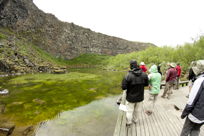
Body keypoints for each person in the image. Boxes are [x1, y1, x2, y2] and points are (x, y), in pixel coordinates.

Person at [180, 60, 204, 136]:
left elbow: (191, 100)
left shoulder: (200, 81)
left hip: (195, 113)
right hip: (202, 116)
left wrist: (184, 113)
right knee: (196, 130)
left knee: (185, 131)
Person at [121, 60, 148, 126]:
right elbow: (146, 84)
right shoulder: (144, 74)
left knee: (129, 111)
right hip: (140, 97)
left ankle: (129, 122)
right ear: (137, 65)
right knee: (137, 110)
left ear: (130, 66)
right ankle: (135, 120)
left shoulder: (127, 75)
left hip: (130, 97)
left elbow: (124, 87)